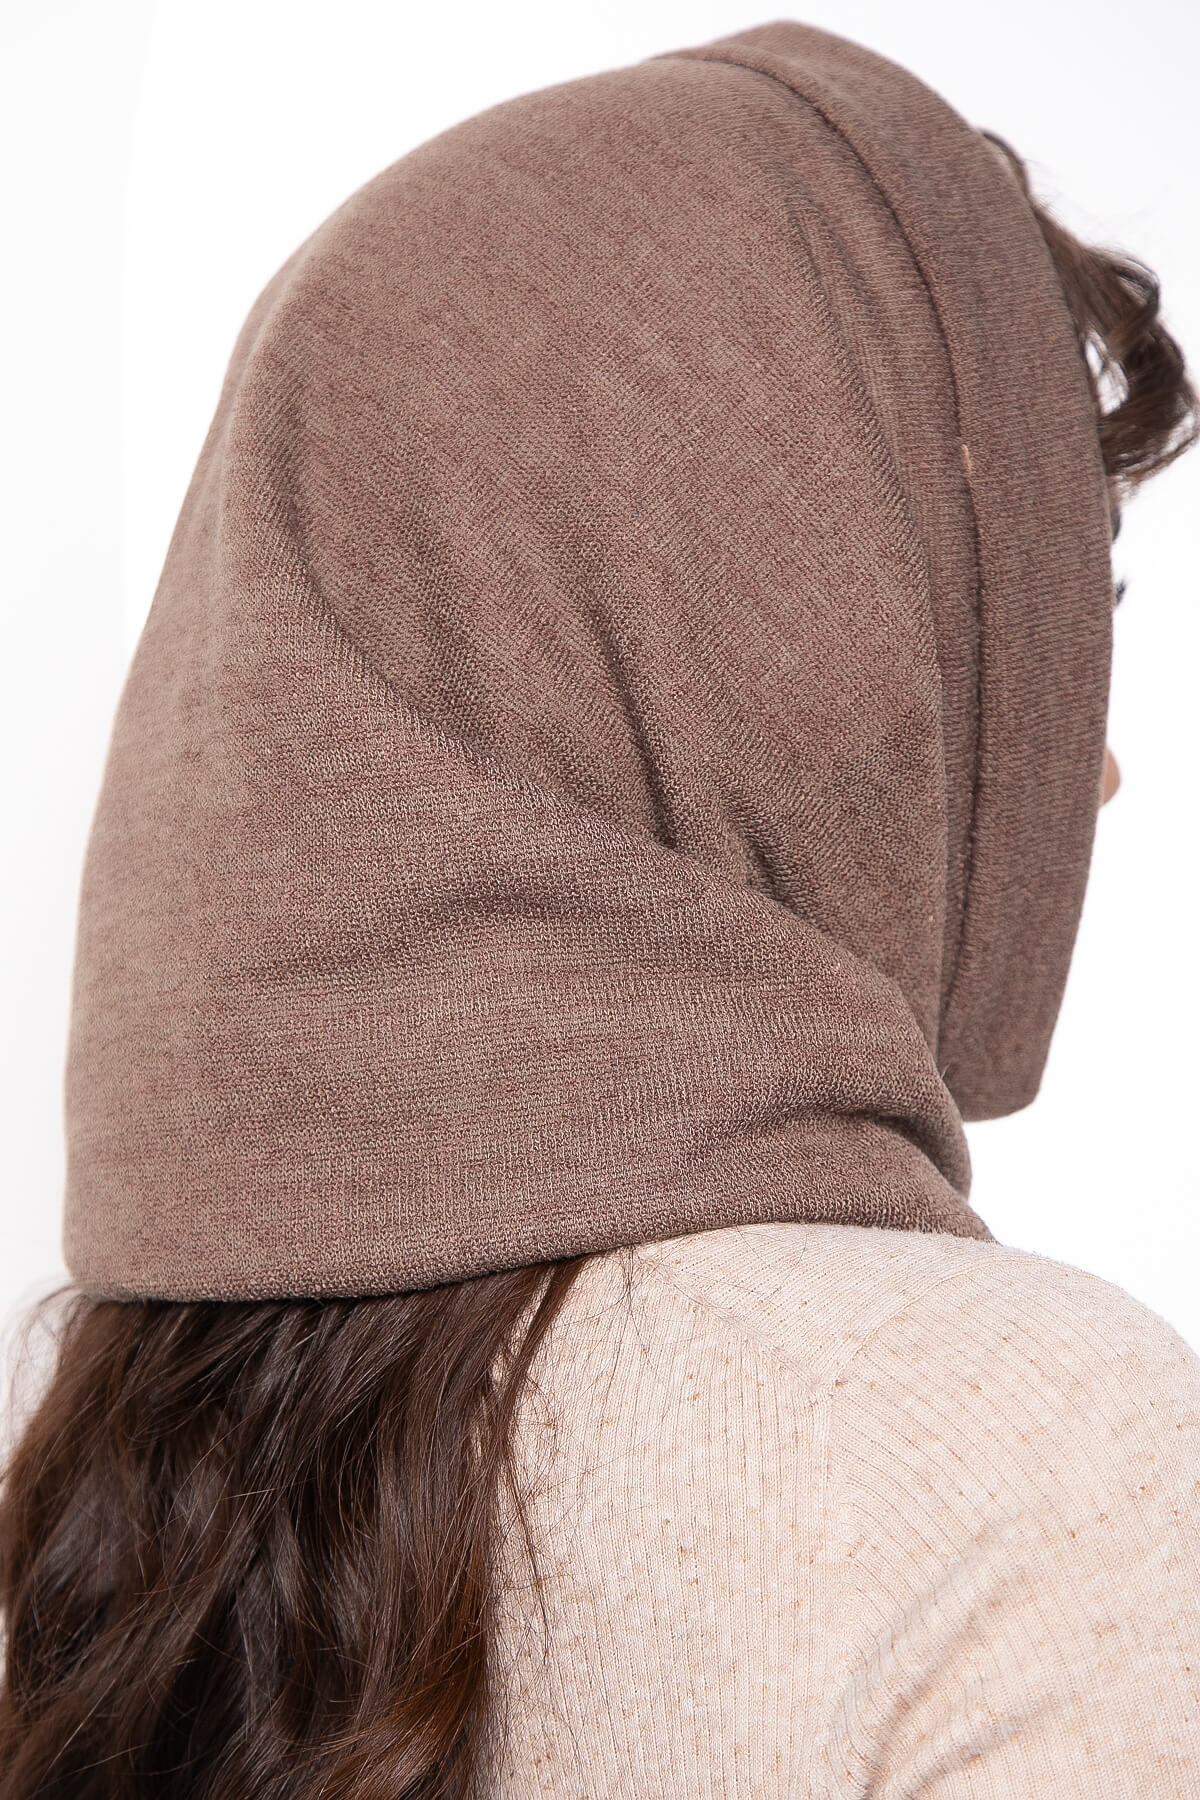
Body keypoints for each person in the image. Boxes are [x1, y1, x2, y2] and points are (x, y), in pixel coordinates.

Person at [1, 18, 1197, 1797]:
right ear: (788, 647)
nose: (1085, 774)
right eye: (1016, 633)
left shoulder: (95, 1455)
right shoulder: (1018, 1467)